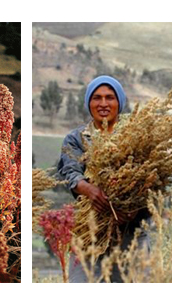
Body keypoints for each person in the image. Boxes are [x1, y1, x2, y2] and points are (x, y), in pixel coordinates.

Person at [57, 75, 149, 282]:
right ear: (89, 103)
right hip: (88, 232)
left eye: (110, 97)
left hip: (131, 232)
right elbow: (69, 172)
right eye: (96, 98)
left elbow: (154, 180)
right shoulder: (76, 138)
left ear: (120, 102)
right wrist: (90, 190)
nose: (103, 104)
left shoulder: (138, 135)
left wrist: (132, 207)